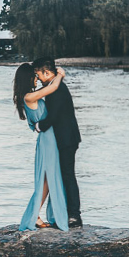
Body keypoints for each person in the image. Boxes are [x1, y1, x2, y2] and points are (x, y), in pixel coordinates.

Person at [12, 63, 68, 231]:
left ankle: (40, 214)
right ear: (27, 78)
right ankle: (34, 215)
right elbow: (54, 87)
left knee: (48, 180)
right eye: (34, 76)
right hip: (48, 141)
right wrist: (60, 74)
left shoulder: (30, 96)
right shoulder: (30, 97)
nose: (36, 79)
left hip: (50, 139)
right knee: (46, 180)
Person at [31, 57, 83, 228]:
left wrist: (38, 126)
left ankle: (74, 216)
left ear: (46, 72)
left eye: (38, 74)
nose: (37, 78)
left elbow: (53, 117)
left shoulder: (56, 88)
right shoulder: (54, 85)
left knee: (68, 176)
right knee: (65, 175)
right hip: (66, 137)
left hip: (66, 139)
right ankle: (67, 213)